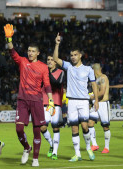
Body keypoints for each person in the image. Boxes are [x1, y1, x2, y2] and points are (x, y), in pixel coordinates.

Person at [4, 24, 54, 167]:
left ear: (38, 53)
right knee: (19, 129)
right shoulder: (23, 61)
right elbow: (12, 52)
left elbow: (47, 84)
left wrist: (50, 100)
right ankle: (27, 147)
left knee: (37, 131)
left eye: (33, 51)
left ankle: (36, 158)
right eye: (29, 51)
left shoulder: (44, 67)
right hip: (23, 100)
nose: (30, 53)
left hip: (37, 101)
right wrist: (9, 39)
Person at [53, 33, 99, 162]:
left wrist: (95, 100)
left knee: (85, 126)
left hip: (84, 101)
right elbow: (56, 58)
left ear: (80, 55)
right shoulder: (68, 67)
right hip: (71, 101)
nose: (72, 57)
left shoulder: (88, 69)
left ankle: (89, 147)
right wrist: (57, 44)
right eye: (71, 55)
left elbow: (94, 85)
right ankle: (77, 154)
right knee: (74, 127)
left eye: (75, 55)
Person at [41, 55, 65, 160]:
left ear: (56, 62)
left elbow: (56, 83)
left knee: (55, 127)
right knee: (42, 127)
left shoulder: (61, 72)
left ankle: (55, 152)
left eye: (52, 60)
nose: (49, 61)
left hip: (56, 103)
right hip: (44, 103)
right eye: (48, 60)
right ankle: (51, 144)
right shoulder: (43, 73)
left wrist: (46, 73)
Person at [88, 63, 111, 153]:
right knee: (90, 123)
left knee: (105, 126)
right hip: (96, 104)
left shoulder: (103, 78)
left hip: (103, 104)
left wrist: (91, 97)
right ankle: (94, 144)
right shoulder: (95, 79)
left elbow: (101, 93)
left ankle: (107, 147)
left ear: (94, 69)